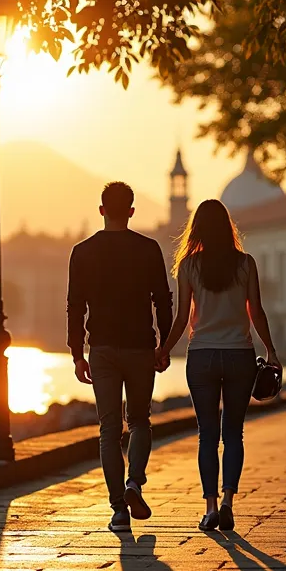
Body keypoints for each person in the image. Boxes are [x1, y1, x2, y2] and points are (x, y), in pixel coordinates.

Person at [156, 199, 279, 533]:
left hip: (202, 357)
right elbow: (256, 312)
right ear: (228, 228)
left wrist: (163, 350)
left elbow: (182, 318)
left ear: (197, 229)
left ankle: (210, 509)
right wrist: (271, 350)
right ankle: (228, 502)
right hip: (240, 355)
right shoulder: (246, 264)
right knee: (233, 433)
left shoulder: (189, 267)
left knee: (207, 435)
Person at [67, 181, 172, 533]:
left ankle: (118, 510)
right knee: (140, 420)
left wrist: (76, 352)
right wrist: (166, 345)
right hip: (141, 346)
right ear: (131, 211)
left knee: (109, 429)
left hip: (103, 350)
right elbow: (163, 300)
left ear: (101, 211)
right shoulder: (148, 249)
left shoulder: (82, 252)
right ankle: (134, 484)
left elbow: (75, 306)